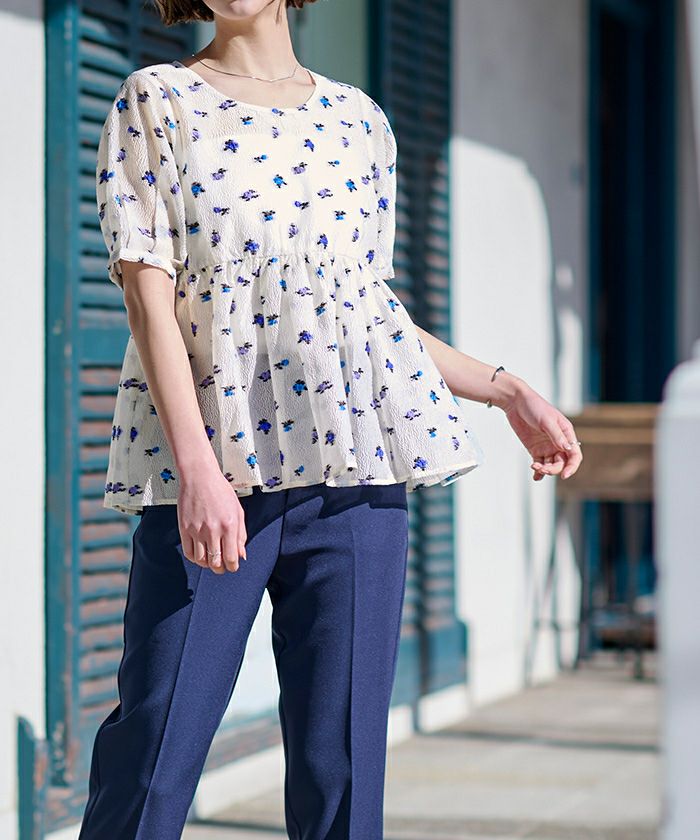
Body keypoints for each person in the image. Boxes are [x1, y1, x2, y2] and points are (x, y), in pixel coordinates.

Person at [79, 1, 583, 837]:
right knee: (153, 757)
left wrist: (503, 389)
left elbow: (360, 313)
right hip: (213, 481)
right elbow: (149, 301)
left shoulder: (359, 121)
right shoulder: (158, 100)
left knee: (342, 771)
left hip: (356, 479)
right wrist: (198, 468)